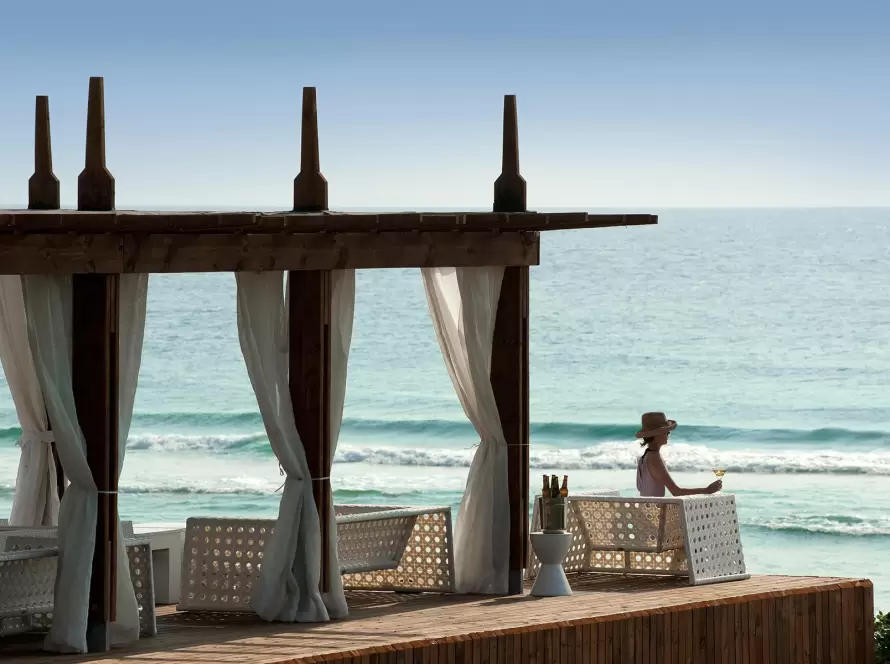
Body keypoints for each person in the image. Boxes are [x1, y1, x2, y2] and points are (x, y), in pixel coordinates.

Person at [635, 412, 722, 497]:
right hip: (655, 510)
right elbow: (676, 492)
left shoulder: (644, 458)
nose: (669, 433)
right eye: (666, 431)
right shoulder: (654, 458)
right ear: (656, 434)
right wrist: (707, 490)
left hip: (646, 510)